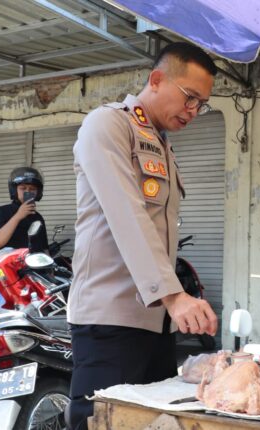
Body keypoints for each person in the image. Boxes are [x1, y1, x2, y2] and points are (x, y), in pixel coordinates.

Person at [67, 42, 219, 430]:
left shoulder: (162, 145)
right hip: (111, 318)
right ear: (156, 79)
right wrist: (173, 294)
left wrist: (174, 301)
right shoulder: (108, 125)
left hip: (155, 322)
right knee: (101, 422)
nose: (193, 111)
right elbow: (126, 213)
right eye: (189, 98)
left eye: (201, 104)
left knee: (153, 424)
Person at [0, 166, 48, 252]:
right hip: (7, 263)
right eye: (23, 188)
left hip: (31, 263)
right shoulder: (0, 212)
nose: (28, 192)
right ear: (14, 190)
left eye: (32, 189)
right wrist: (18, 216)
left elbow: (44, 248)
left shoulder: (37, 217)